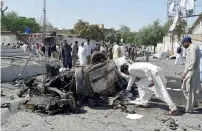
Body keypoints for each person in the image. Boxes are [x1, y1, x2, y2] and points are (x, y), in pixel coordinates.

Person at [181, 36, 201, 113]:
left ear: (186, 42)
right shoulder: (195, 47)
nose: (183, 45)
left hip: (191, 71)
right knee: (189, 89)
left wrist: (185, 72)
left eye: (183, 43)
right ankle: (194, 103)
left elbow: (192, 62)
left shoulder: (192, 48)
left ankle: (189, 109)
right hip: (194, 71)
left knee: (188, 90)